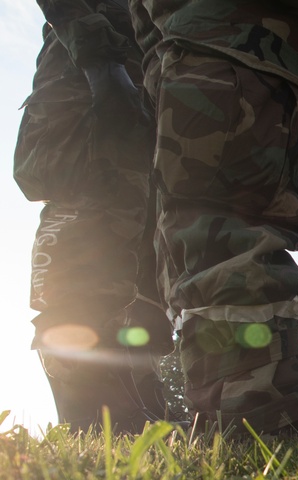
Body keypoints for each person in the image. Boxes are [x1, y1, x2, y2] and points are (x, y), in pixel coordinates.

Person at [126, 0, 298, 436]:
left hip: (184, 53)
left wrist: (160, 57)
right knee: (235, 225)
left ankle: (230, 402)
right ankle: (261, 407)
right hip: (246, 51)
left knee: (202, 229)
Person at [14, 0, 173, 433]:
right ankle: (94, 411)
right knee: (84, 228)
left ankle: (135, 395)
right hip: (83, 76)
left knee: (138, 247)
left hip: (140, 75)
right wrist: (95, 53)